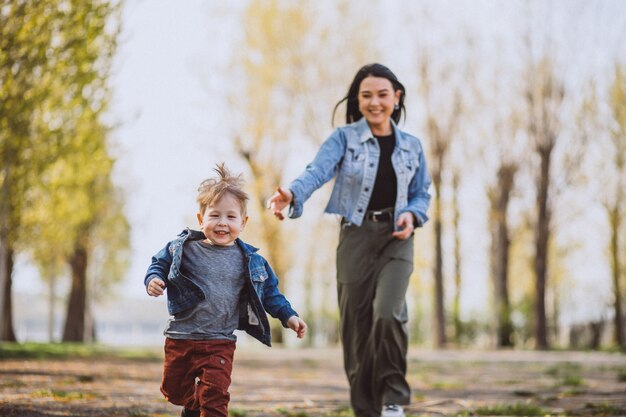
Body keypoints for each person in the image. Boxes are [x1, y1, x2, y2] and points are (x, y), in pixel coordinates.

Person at [267, 63, 431, 417]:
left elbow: (422, 194)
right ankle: (365, 409)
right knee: (356, 331)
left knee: (388, 313)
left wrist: (412, 214)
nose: (375, 102)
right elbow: (317, 171)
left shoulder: (413, 147)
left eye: (382, 95)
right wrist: (293, 195)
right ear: (358, 100)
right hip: (356, 237)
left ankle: (392, 399)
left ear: (396, 97)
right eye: (366, 95)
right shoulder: (344, 138)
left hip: (397, 238)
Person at [145, 163, 307, 417]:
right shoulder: (184, 248)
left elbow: (270, 293)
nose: (222, 223)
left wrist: (289, 316)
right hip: (181, 338)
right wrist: (153, 279)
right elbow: (159, 263)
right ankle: (193, 402)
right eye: (214, 215)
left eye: (231, 217)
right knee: (173, 391)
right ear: (201, 219)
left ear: (243, 222)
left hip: (220, 342)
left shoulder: (251, 261)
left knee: (216, 399)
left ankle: (205, 405)